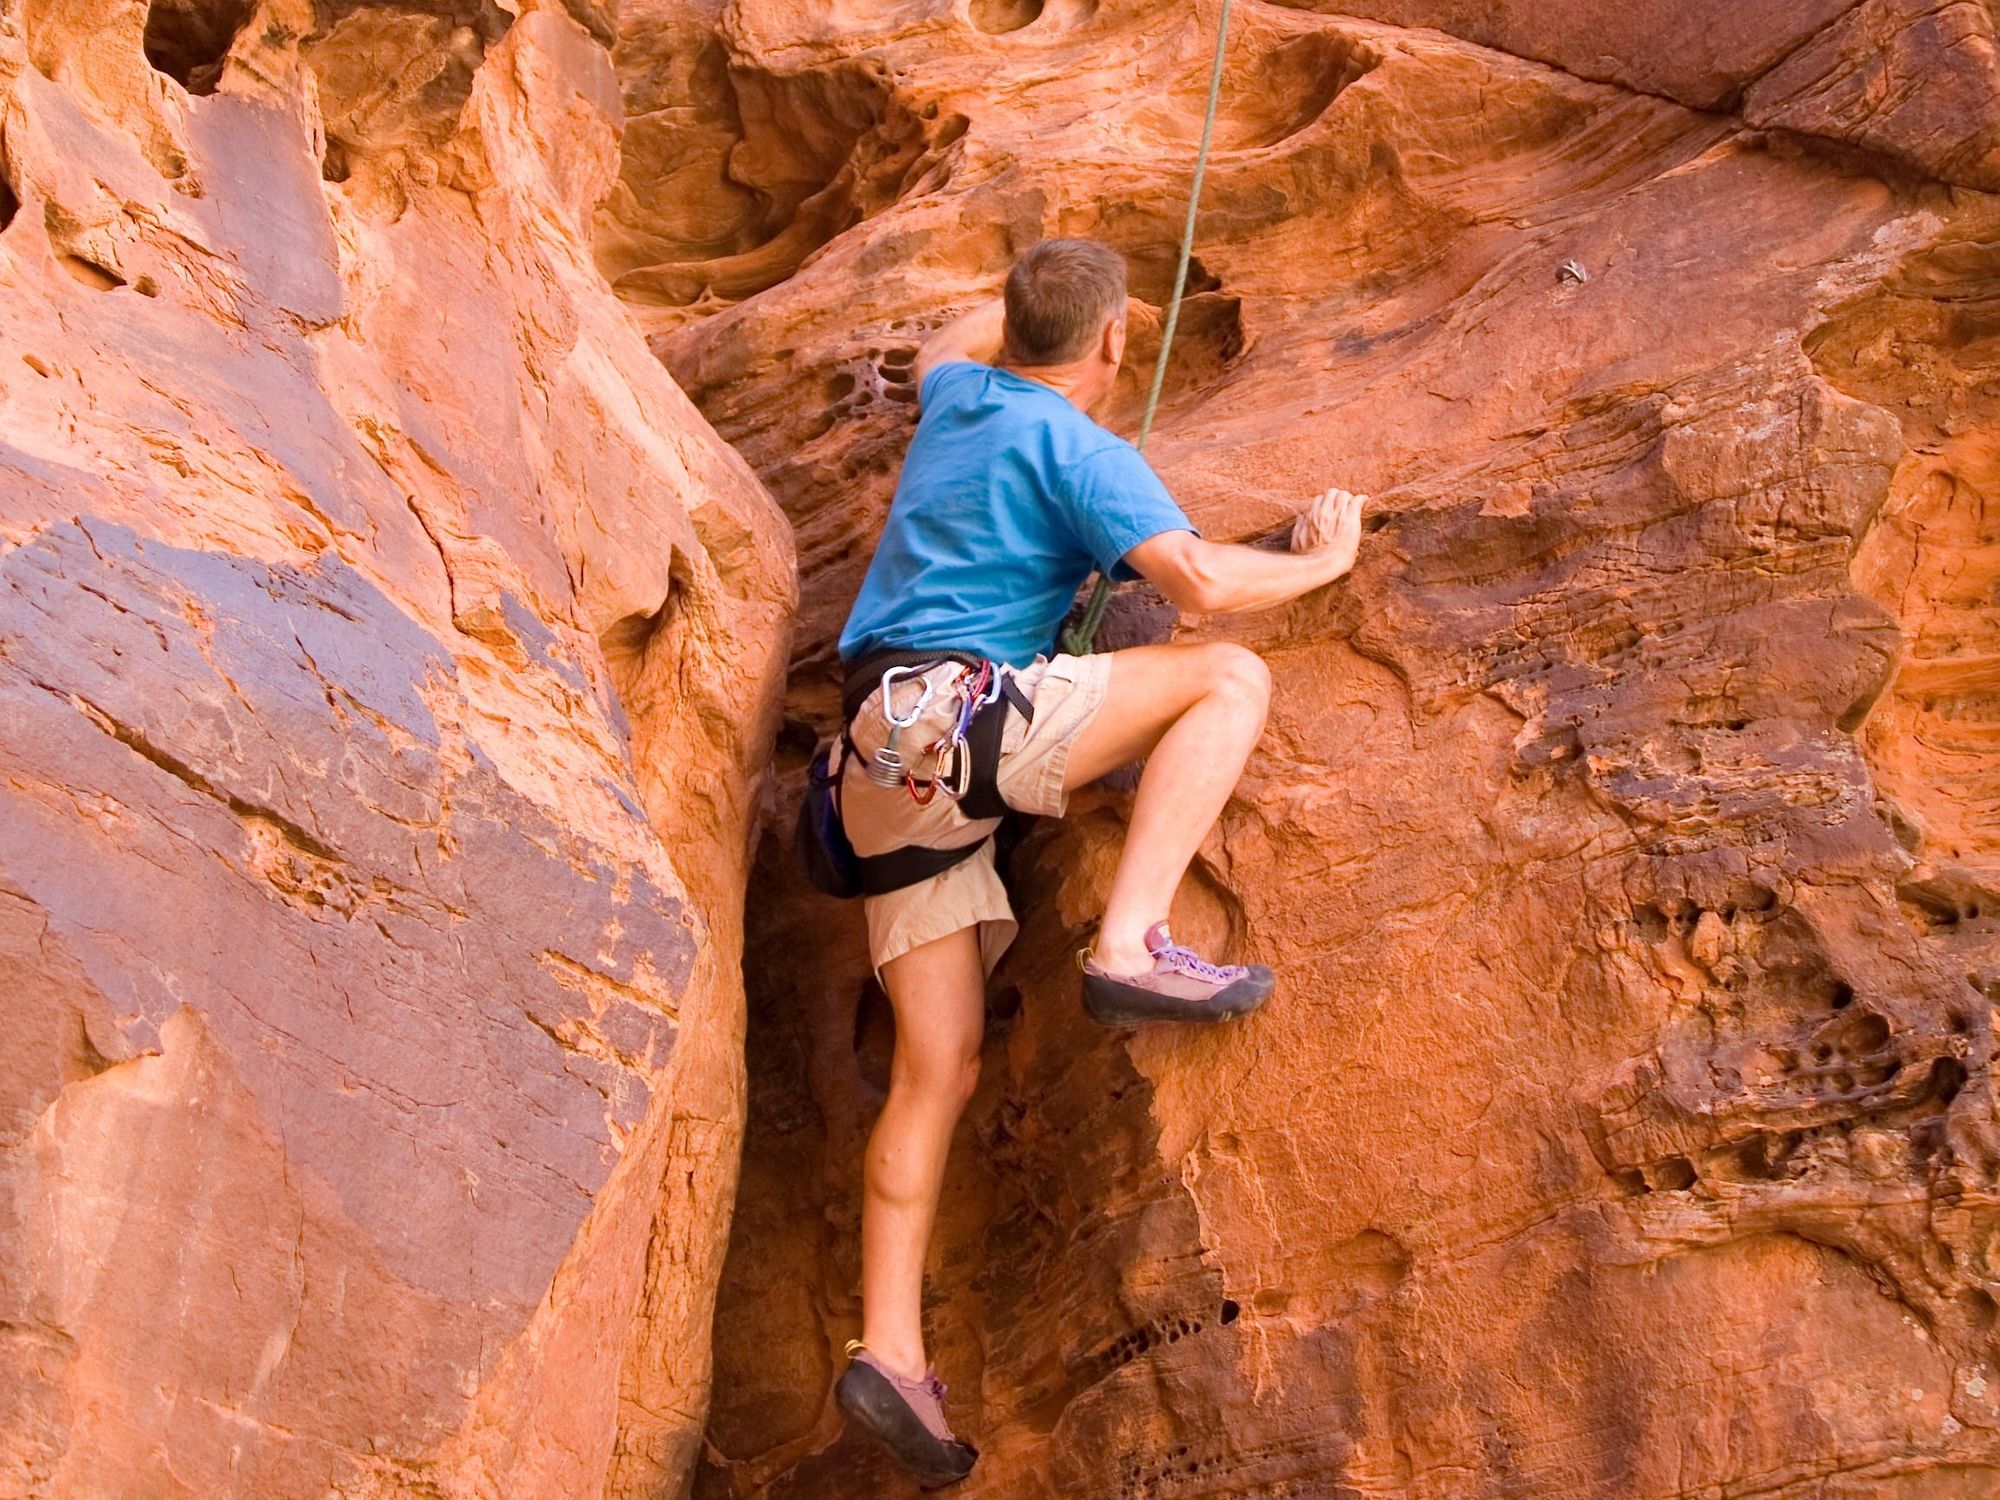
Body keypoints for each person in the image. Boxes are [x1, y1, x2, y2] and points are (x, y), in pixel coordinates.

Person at [829, 238, 1365, 1485]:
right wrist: (1322, 559)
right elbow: (1198, 582)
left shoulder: (960, 391)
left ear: (1012, 327)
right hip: (953, 721)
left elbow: (950, 343)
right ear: (1117, 341)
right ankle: (1130, 942)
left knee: (934, 1070)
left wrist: (1031, 300)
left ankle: (890, 1351)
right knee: (1230, 676)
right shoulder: (1084, 452)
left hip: (873, 770)